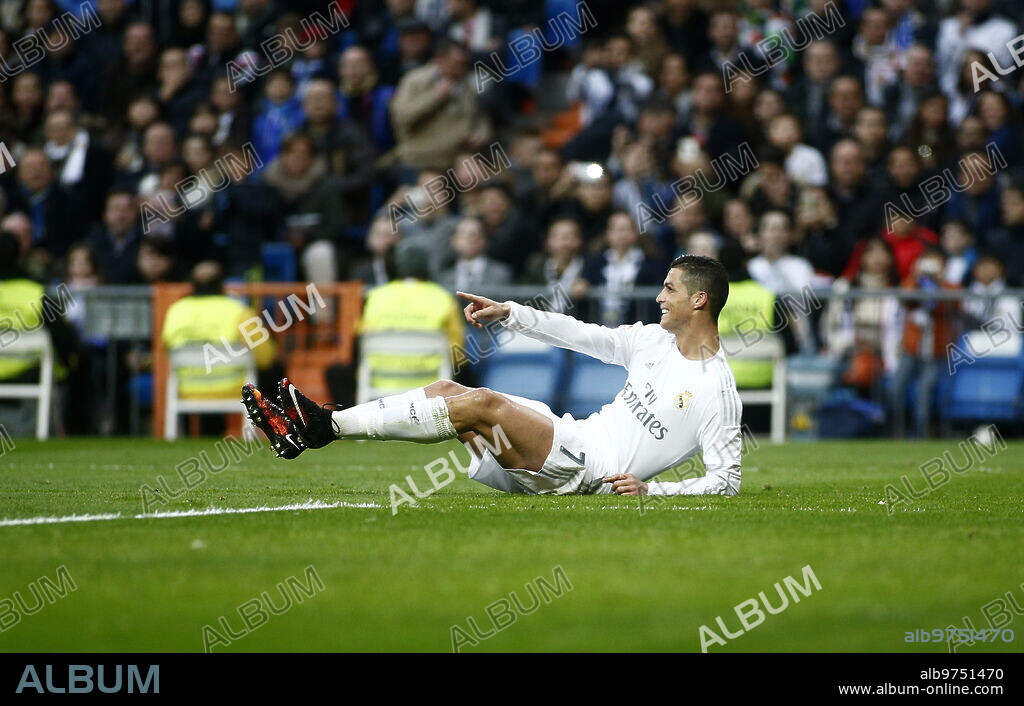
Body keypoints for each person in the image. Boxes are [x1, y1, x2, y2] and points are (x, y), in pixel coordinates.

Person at [242, 255, 743, 498]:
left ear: (699, 300)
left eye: (670, 289)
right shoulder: (653, 342)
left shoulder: (716, 390)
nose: (659, 297)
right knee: (447, 393)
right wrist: (512, 314)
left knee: (480, 404)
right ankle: (315, 427)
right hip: (572, 437)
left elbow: (727, 481)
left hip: (590, 468)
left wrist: (652, 491)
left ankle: (322, 427)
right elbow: (580, 333)